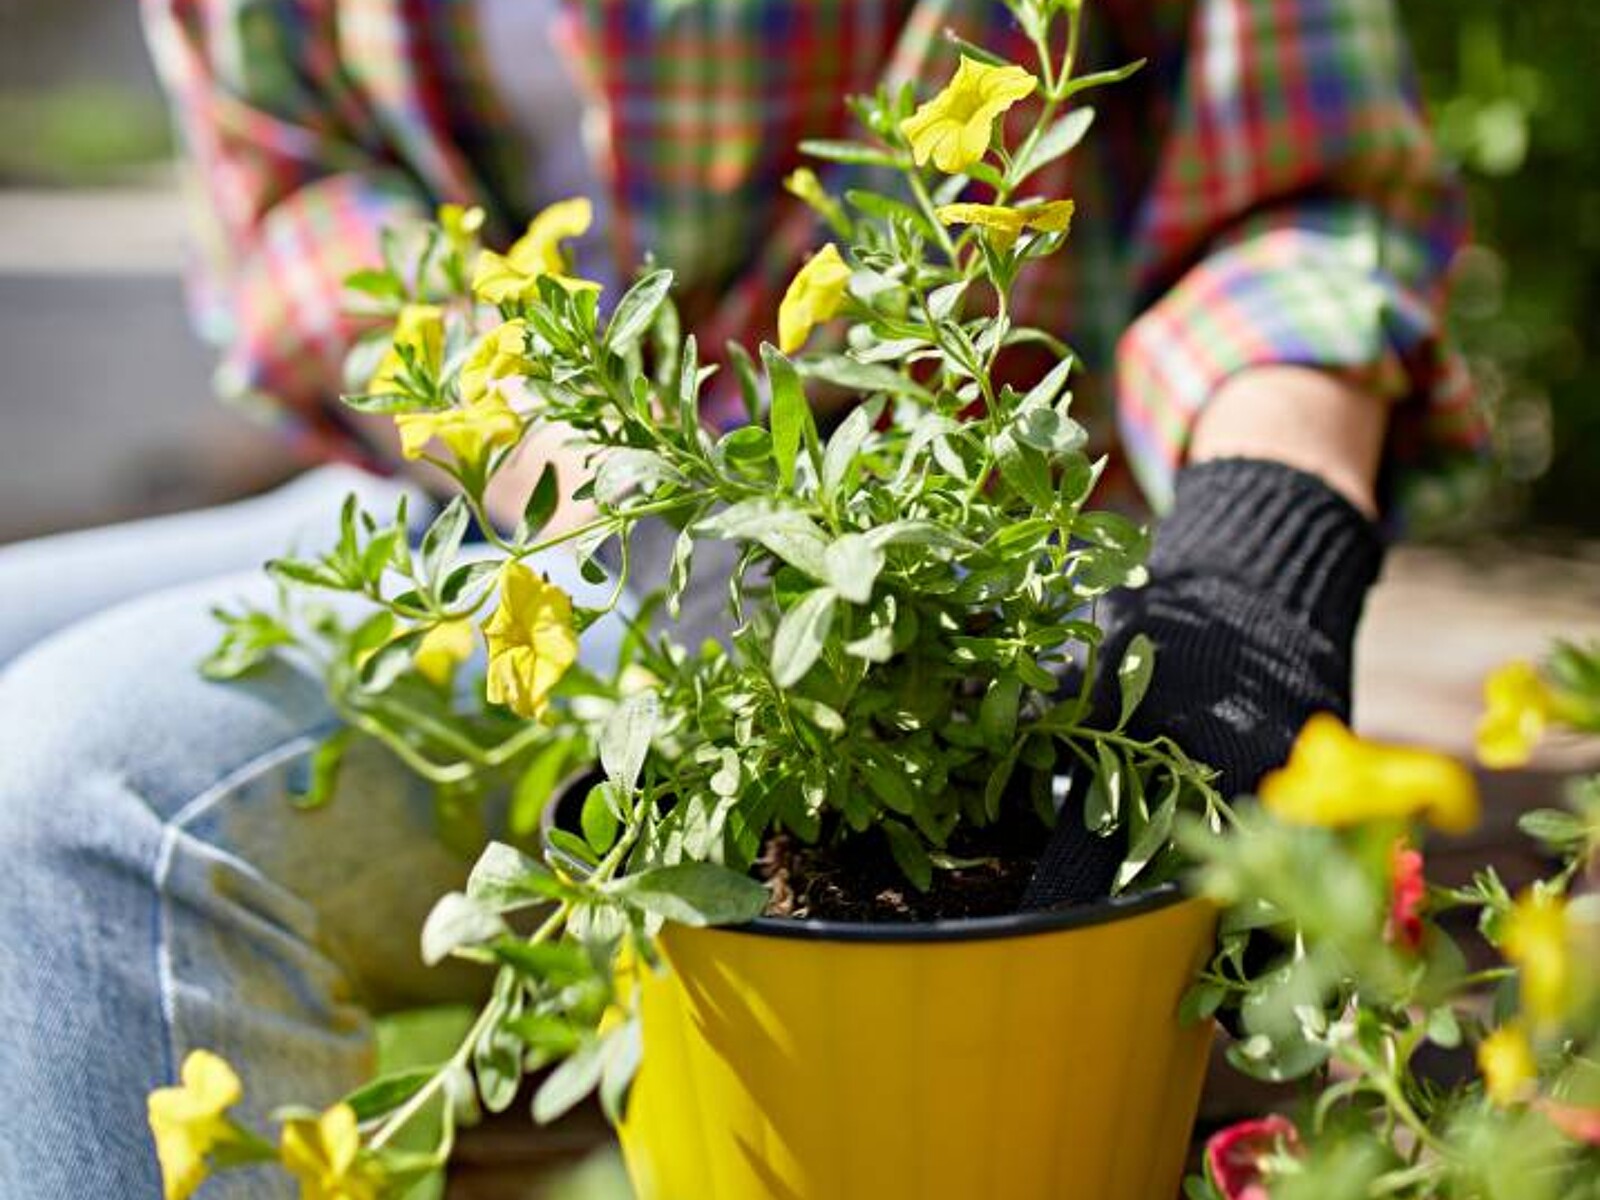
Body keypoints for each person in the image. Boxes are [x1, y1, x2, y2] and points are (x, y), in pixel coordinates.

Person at [0, 0, 1480, 1193]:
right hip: (495, 500)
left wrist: (1256, 564)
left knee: (80, 795)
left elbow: (1307, 190)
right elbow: (305, 199)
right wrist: (630, 512)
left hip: (953, 577)